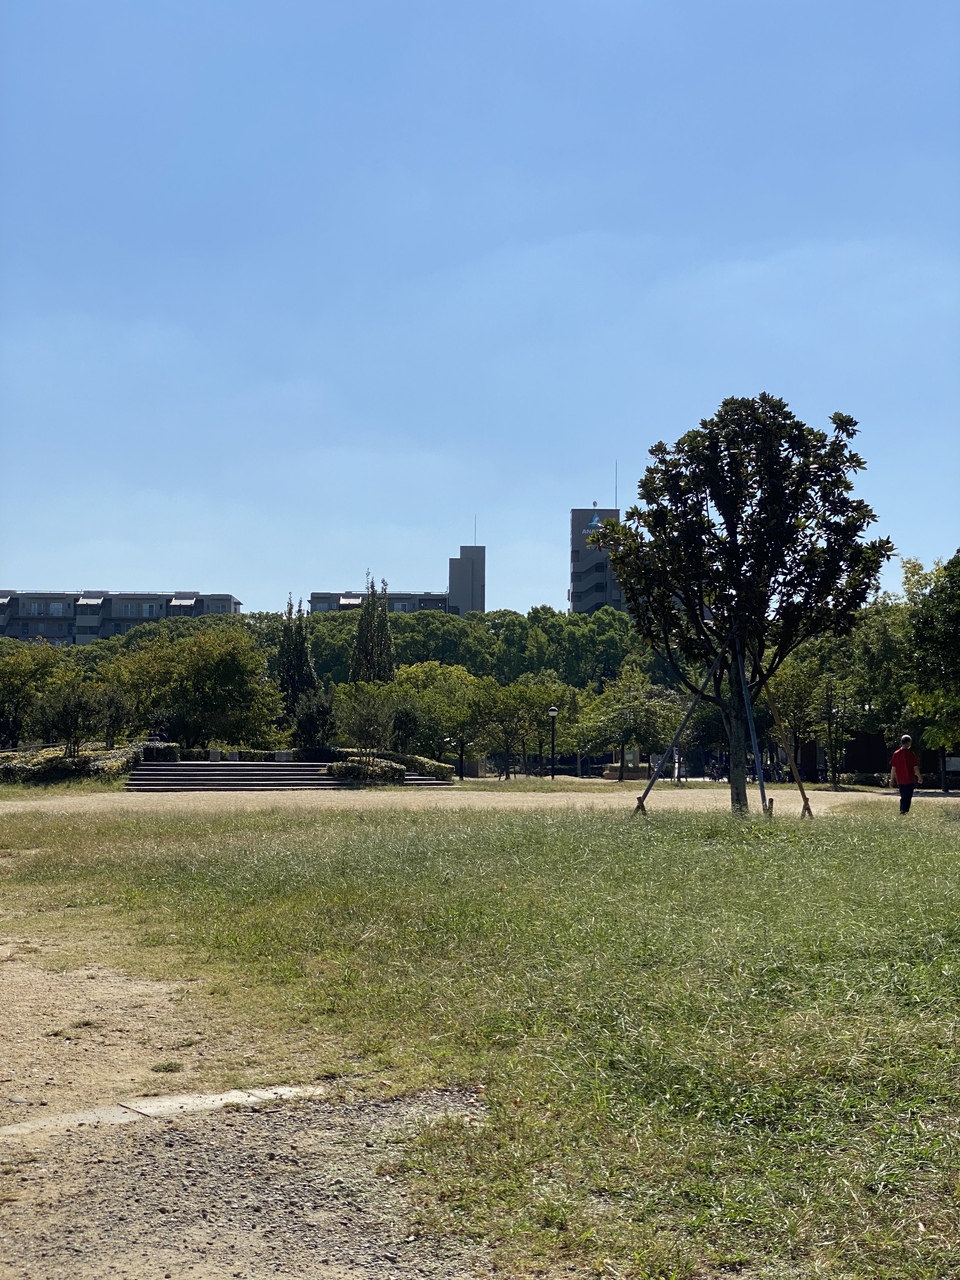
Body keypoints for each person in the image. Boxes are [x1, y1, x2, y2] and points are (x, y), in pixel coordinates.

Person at [889, 734, 922, 814]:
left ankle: (902, 810)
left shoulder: (896, 753)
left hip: (900, 779)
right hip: (909, 779)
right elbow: (915, 767)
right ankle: (904, 811)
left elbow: (894, 767)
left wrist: (892, 779)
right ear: (908, 742)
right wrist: (919, 777)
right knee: (908, 796)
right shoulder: (910, 753)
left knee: (903, 796)